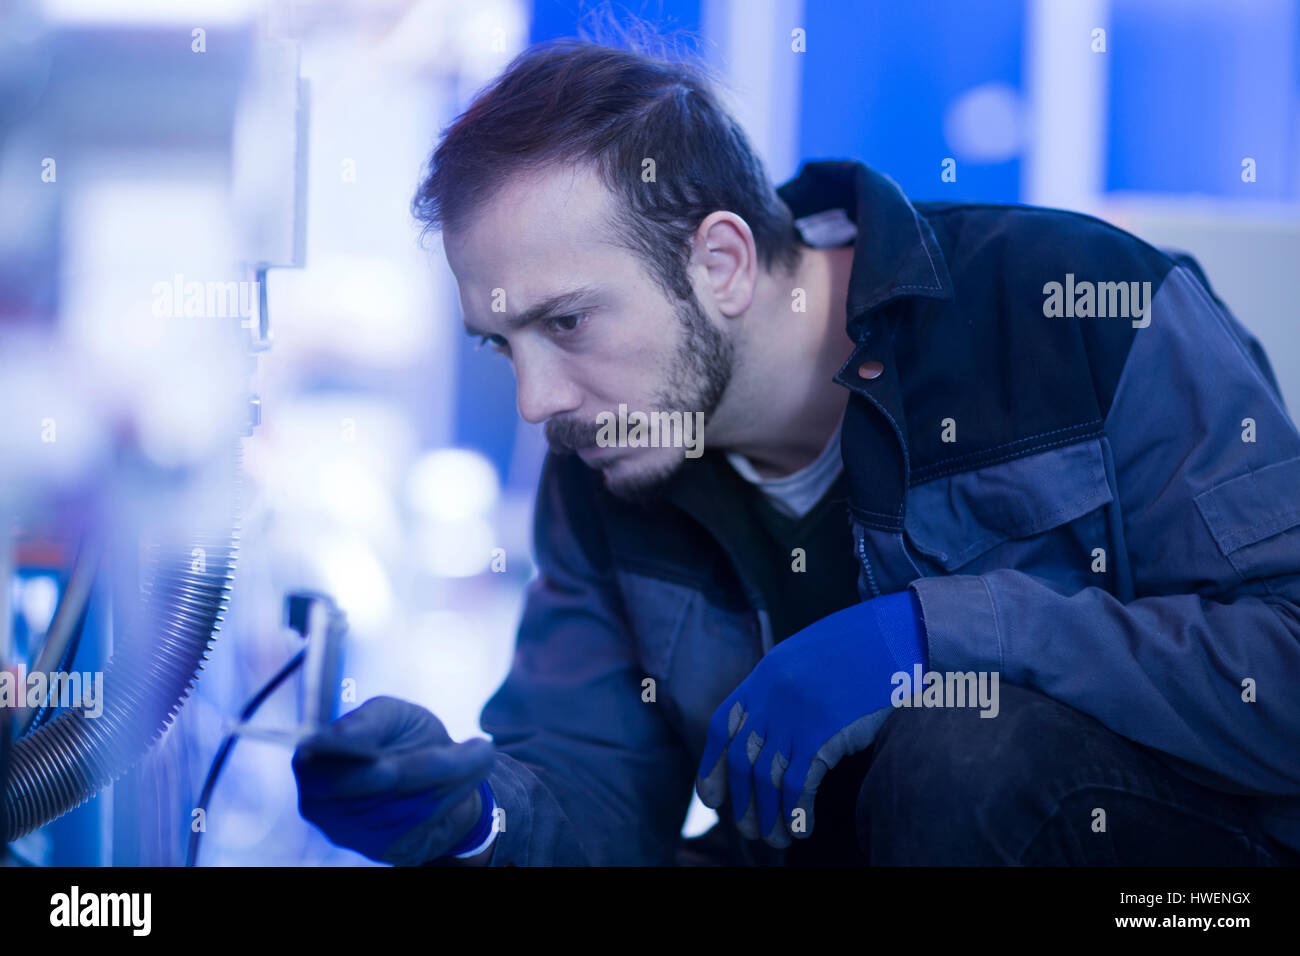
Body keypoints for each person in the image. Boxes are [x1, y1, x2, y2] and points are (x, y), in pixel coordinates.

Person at [292, 37, 1300, 867]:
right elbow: (595, 794)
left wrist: (933, 637)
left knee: (962, 752)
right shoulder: (609, 450)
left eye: (566, 322)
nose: (536, 401)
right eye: (500, 345)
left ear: (720, 261)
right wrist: (468, 816)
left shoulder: (1072, 304)